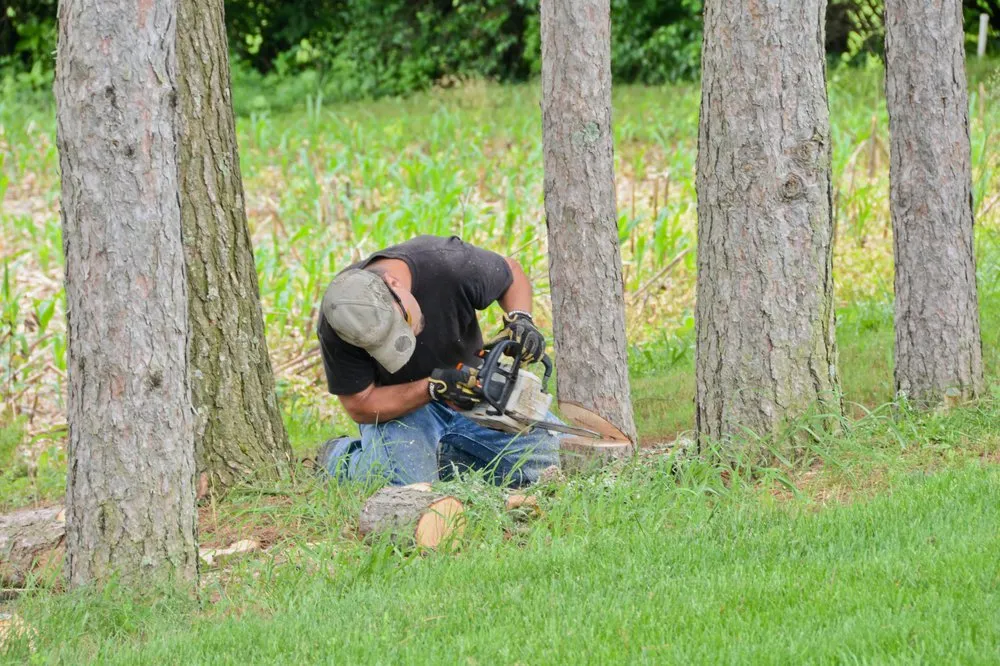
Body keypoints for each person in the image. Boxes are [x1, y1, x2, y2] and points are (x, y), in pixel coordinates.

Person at [315, 235, 561, 487]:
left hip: (473, 389)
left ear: (393, 283)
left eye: (403, 323)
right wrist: (432, 387)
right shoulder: (340, 321)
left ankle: (444, 457)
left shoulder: (446, 263)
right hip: (403, 411)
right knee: (410, 486)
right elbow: (360, 404)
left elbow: (511, 273)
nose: (408, 337)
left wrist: (521, 319)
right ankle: (340, 458)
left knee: (555, 458)